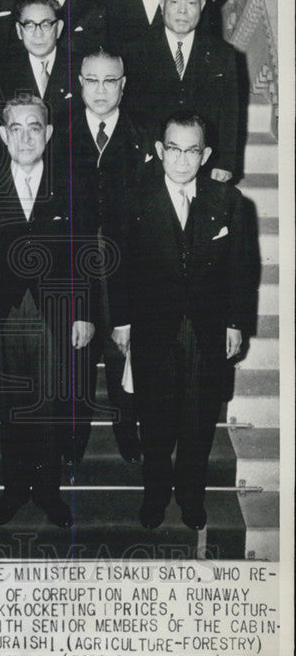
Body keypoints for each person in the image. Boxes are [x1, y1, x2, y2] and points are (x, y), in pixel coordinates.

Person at [0, 94, 96, 528]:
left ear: (48, 133)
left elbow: (84, 254)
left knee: (52, 407)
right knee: (10, 406)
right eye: (15, 128)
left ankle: (48, 492)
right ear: (3, 135)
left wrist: (84, 312)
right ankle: (15, 491)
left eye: (34, 127)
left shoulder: (71, 183)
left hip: (52, 314)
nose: (25, 137)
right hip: (3, 315)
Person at [110, 112, 249, 530]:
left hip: (205, 330)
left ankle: (190, 496)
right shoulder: (136, 199)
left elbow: (241, 268)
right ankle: (155, 495)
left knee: (198, 420)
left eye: (192, 151)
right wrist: (121, 321)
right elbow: (120, 267)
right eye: (174, 149)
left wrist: (236, 323)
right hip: (154, 328)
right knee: (154, 421)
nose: (183, 160)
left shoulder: (228, 201)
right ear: (159, 151)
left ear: (205, 154)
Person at [70, 49, 153, 465]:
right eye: (92, 80)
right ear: (80, 83)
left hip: (127, 271)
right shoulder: (60, 136)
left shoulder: (142, 135)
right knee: (78, 358)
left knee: (125, 357)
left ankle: (126, 429)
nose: (100, 90)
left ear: (123, 84)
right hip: (78, 269)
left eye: (110, 81)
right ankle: (75, 435)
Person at [122, 0, 239, 181]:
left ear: (202, 6)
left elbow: (230, 112)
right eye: (175, 2)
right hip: (149, 165)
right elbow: (128, 113)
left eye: (191, 3)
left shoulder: (222, 54)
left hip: (203, 165)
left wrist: (225, 162)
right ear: (162, 3)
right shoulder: (134, 51)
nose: (183, 11)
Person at [0, 0, 77, 173]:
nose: (38, 33)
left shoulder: (80, 67)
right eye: (30, 25)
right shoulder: (1, 73)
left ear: (58, 28)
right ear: (19, 31)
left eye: (45, 24)